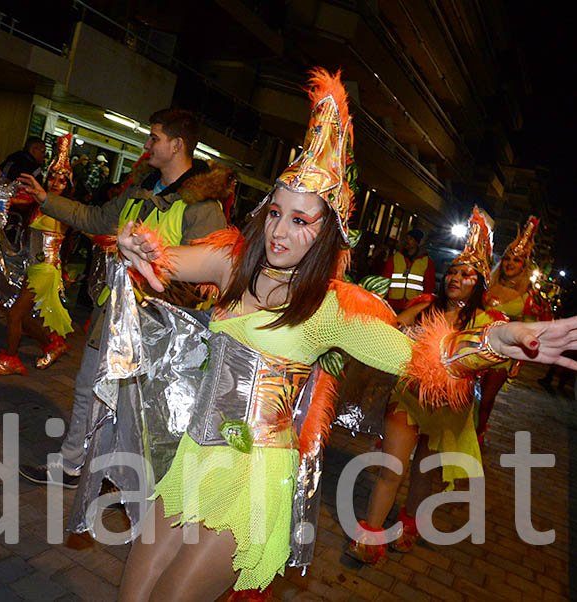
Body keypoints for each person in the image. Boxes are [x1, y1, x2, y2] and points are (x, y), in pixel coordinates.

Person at [112, 69, 577, 600]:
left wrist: (496, 342)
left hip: (254, 479)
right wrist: (138, 246)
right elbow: (167, 258)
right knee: (132, 592)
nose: (281, 232)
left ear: (328, 231)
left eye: (302, 221)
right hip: (195, 458)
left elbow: (425, 361)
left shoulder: (331, 308)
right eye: (276, 214)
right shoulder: (230, 262)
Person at [16, 108, 233, 488]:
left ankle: (124, 477)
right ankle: (73, 465)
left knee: (140, 408)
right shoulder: (140, 191)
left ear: (177, 145)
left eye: (154, 138)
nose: (147, 145)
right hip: (113, 316)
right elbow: (97, 219)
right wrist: (46, 198)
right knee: (89, 390)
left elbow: (208, 280)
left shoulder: (203, 209)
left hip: (157, 332)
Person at [347, 208, 502, 565]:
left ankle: (409, 525)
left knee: (422, 473)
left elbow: (495, 354)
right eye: (453, 272)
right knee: (392, 468)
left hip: (447, 409)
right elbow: (391, 324)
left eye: (466, 274)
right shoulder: (425, 306)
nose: (456, 278)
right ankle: (369, 537)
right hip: (408, 397)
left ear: (479, 283)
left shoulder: (483, 322)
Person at [0, 134, 75, 374]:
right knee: (22, 316)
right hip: (34, 267)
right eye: (52, 178)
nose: (55, 183)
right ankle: (52, 345)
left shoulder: (62, 209)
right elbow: (17, 199)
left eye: (62, 181)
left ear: (69, 186)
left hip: (45, 270)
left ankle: (10, 360)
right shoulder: (41, 204)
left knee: (14, 314)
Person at [475, 215, 553, 442]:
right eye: (508, 258)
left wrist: (518, 362)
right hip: (474, 346)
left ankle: (477, 434)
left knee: (486, 399)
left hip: (502, 355)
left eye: (516, 260)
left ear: (524, 265)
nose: (510, 263)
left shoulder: (529, 298)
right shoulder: (487, 283)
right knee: (466, 396)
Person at [382, 228, 435, 311]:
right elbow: (385, 279)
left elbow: (429, 285)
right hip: (393, 303)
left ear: (417, 242)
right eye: (406, 238)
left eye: (410, 239)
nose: (407, 241)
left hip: (413, 305)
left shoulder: (426, 261)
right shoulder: (395, 258)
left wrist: (423, 304)